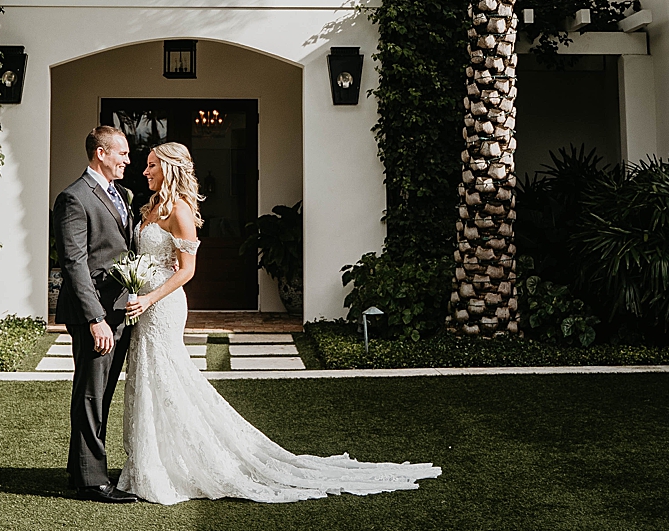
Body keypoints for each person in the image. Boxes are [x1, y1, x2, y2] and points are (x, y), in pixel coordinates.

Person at [118, 141, 442, 504]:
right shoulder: (150, 207)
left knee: (167, 376)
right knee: (147, 376)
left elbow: (187, 270)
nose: (144, 171)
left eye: (151, 165)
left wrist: (149, 298)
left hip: (162, 306)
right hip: (143, 306)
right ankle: (151, 461)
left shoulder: (179, 209)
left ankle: (178, 463)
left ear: (170, 168)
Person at [51, 126, 139, 503]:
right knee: (91, 395)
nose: (127, 160)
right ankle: (92, 481)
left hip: (118, 311)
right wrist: (95, 318)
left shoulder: (122, 194)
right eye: (122, 153)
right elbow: (74, 263)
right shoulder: (74, 197)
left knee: (100, 395)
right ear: (101, 153)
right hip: (95, 315)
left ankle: (80, 470)